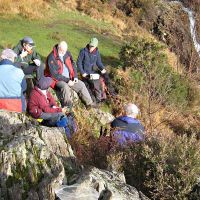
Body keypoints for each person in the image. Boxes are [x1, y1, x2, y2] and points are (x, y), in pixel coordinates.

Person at [45, 41, 94, 108]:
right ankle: (68, 107)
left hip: (70, 77)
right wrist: (67, 80)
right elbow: (54, 75)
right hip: (57, 80)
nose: (64, 53)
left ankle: (89, 104)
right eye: (62, 51)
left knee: (81, 84)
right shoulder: (51, 57)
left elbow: (73, 64)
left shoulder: (67, 53)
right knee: (65, 87)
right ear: (58, 48)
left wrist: (75, 76)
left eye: (65, 51)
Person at [77, 37, 116, 103]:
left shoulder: (97, 52)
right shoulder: (83, 51)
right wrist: (82, 72)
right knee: (88, 86)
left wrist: (103, 69)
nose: (90, 47)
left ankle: (101, 98)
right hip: (85, 74)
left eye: (92, 46)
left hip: (93, 73)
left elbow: (99, 62)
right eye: (90, 46)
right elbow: (79, 62)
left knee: (98, 83)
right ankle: (93, 100)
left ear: (95, 46)